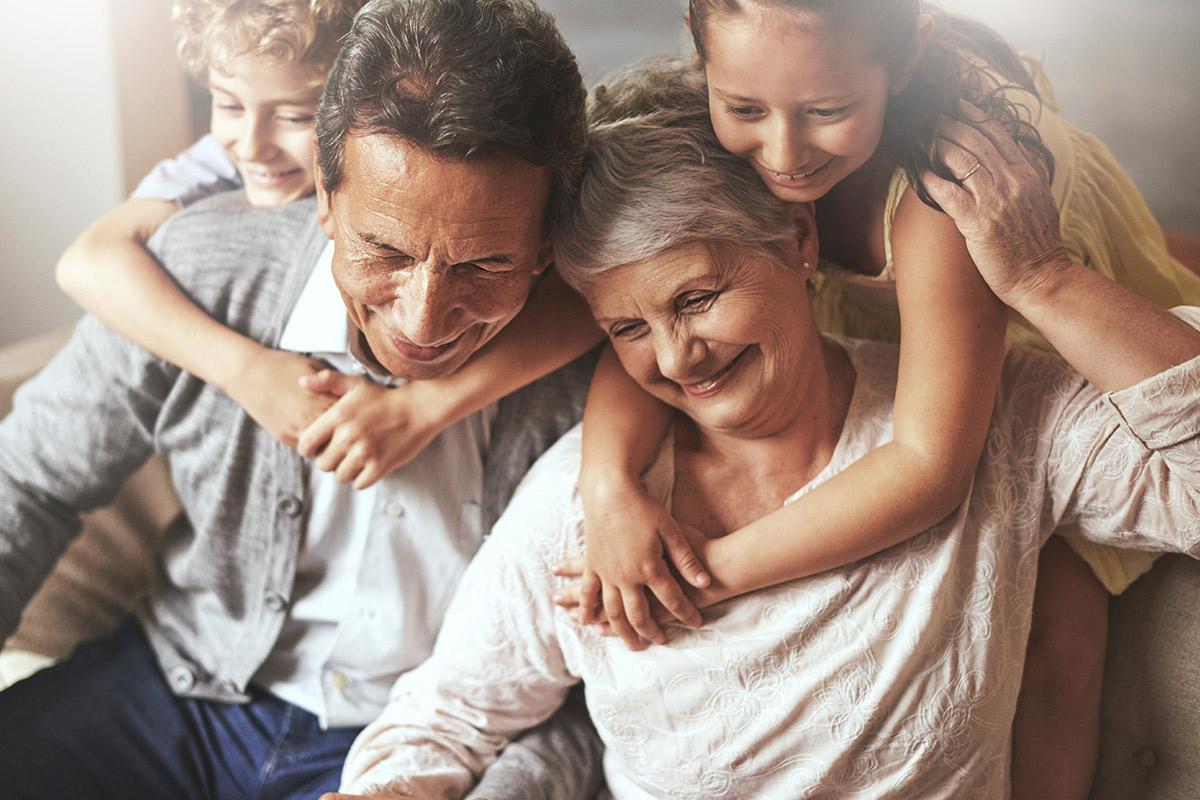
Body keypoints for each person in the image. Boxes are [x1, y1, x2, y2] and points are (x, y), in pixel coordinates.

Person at [331, 59, 1200, 800]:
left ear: (796, 238)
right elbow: (444, 715)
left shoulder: (996, 421)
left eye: (698, 298)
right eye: (627, 330)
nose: (675, 359)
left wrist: (1043, 279)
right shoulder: (585, 506)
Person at [573, 3, 1200, 795]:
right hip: (903, 342)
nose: (782, 152)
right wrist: (608, 490)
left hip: (1054, 351)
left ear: (901, 65)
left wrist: (706, 575)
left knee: (1051, 631)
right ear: (705, 65)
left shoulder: (942, 190)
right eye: (744, 108)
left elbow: (928, 468)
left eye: (827, 111)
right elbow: (637, 317)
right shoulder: (736, 119)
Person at [0, 1, 604, 796]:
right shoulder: (201, 268)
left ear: (547, 245)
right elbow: (29, 482)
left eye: (484, 265)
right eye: (382, 250)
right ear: (323, 196)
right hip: (178, 690)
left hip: (423, 741)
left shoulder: (607, 358)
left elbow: (594, 693)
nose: (422, 322)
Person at [55, 0, 600, 491]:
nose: (251, 146)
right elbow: (89, 260)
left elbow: (604, 290)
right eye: (385, 249)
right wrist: (246, 370)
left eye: (483, 263)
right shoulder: (199, 231)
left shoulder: (558, 201)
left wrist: (425, 407)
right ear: (326, 184)